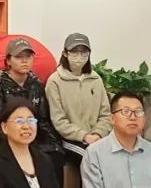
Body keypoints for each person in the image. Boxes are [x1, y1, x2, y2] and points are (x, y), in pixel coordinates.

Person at [0, 37, 65, 187]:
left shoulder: (36, 84)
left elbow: (43, 120)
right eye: (19, 57)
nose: (24, 61)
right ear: (8, 61)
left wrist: (55, 145)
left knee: (56, 155)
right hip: (9, 140)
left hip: (32, 138)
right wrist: (2, 151)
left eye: (28, 56)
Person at [45, 33, 112, 165]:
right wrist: (84, 136)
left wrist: (98, 134)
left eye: (84, 52)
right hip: (70, 139)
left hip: (98, 137)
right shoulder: (55, 81)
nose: (79, 57)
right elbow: (59, 121)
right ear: (65, 53)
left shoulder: (96, 79)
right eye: (74, 52)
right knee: (93, 158)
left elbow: (106, 114)